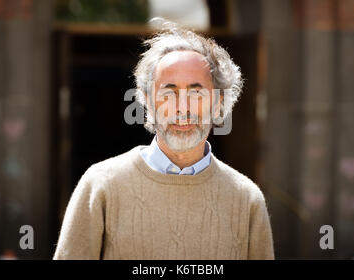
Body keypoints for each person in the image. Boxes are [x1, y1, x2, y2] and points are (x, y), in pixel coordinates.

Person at [53, 19, 274, 260]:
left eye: (196, 92)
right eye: (169, 93)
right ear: (147, 101)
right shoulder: (101, 185)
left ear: (219, 103)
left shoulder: (247, 198)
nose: (182, 107)